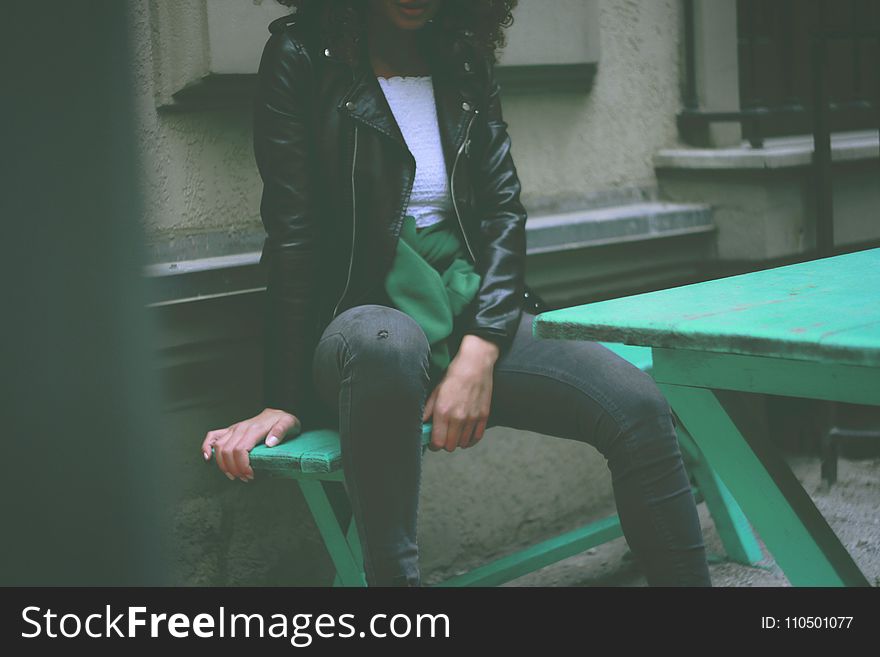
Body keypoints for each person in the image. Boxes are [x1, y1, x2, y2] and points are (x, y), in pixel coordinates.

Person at [201, 0, 712, 588]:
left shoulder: (460, 55)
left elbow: (501, 214)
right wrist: (283, 394)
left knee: (635, 402)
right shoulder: (301, 55)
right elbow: (294, 236)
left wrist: (480, 351)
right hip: (358, 319)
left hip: (467, 304)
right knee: (386, 341)